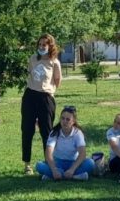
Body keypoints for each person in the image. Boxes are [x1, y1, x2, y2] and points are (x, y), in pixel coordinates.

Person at [21, 34, 62, 175]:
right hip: (30, 96)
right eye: (39, 44)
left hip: (46, 98)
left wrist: (49, 91)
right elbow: (29, 74)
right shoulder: (33, 59)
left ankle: (48, 163)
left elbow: (57, 81)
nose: (41, 47)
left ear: (50, 46)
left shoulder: (54, 62)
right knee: (27, 130)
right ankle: (27, 164)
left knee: (47, 132)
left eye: (44, 44)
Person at [36, 106, 95, 181]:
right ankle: (74, 176)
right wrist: (54, 170)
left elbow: (82, 154)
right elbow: (48, 153)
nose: (64, 121)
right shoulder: (55, 132)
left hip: (73, 162)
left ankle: (55, 176)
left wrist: (72, 170)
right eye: (62, 118)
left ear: (73, 121)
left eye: (68, 119)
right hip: (58, 163)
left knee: (90, 163)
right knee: (39, 165)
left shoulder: (78, 133)